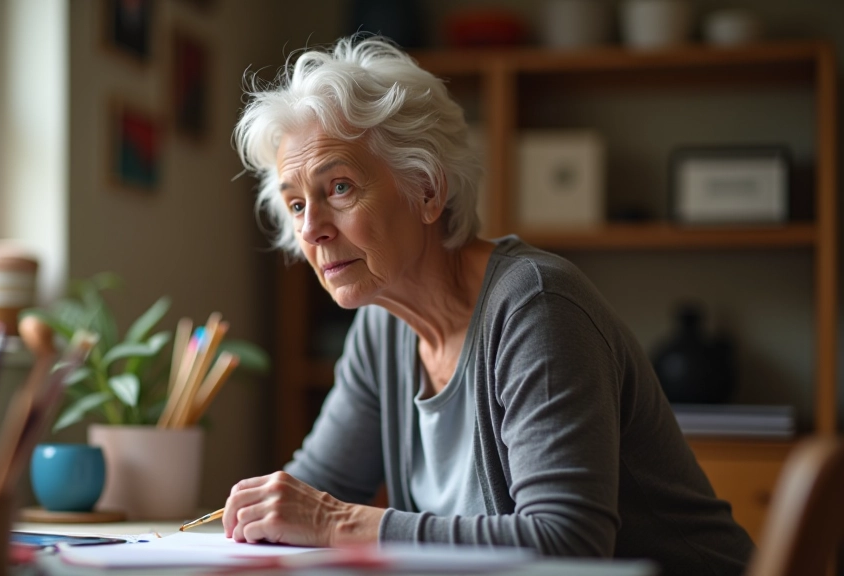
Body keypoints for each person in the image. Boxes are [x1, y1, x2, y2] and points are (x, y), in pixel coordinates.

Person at [225, 35, 755, 575]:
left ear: (429, 190)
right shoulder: (380, 329)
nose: (310, 229)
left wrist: (339, 524)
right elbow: (308, 497)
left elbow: (568, 541)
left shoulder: (536, 306)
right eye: (295, 203)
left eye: (338, 187)